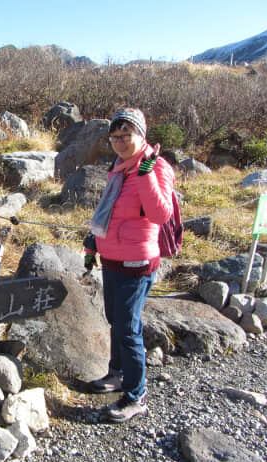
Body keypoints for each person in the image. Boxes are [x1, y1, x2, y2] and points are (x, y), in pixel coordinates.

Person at [84, 107, 175, 423]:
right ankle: (117, 373)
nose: (121, 141)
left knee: (128, 328)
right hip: (112, 257)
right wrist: (92, 242)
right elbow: (108, 210)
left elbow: (161, 215)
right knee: (116, 319)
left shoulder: (155, 167)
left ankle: (136, 395)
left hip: (136, 260)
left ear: (142, 135)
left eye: (128, 135)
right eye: (116, 136)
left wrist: (146, 174)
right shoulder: (119, 167)